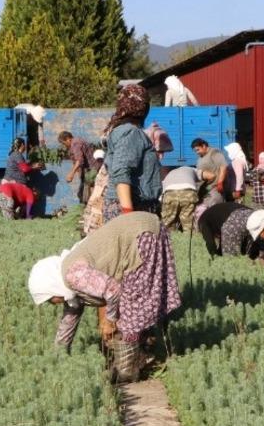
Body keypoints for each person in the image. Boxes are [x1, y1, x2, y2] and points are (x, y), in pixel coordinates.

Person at [28, 212, 181, 382]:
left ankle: (128, 371)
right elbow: (68, 323)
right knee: (133, 306)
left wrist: (109, 320)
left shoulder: (73, 275)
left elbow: (113, 290)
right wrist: (57, 357)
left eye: (49, 299)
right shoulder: (69, 285)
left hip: (141, 236)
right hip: (140, 232)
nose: (53, 303)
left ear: (50, 286)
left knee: (131, 305)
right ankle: (142, 353)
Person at [103, 85, 162, 221]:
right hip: (132, 207)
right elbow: (121, 171)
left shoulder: (123, 130)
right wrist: (128, 214)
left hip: (130, 205)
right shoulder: (131, 132)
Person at [160, 166, 201, 232]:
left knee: (167, 225)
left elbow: (161, 198)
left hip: (170, 193)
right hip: (188, 192)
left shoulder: (169, 175)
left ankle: (169, 240)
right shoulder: (193, 170)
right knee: (189, 224)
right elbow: (210, 175)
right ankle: (189, 241)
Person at [192, 138, 228, 209]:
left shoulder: (214, 153)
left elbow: (223, 167)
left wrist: (220, 183)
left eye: (198, 150)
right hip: (205, 189)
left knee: (215, 209)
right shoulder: (201, 157)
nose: (197, 152)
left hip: (214, 189)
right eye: (195, 151)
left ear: (204, 146)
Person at [59, 131, 92, 204]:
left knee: (85, 197)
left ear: (68, 139)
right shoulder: (76, 142)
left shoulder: (75, 143)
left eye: (63, 143)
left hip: (90, 172)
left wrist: (71, 174)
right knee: (82, 195)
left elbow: (79, 160)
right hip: (88, 172)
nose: (64, 145)